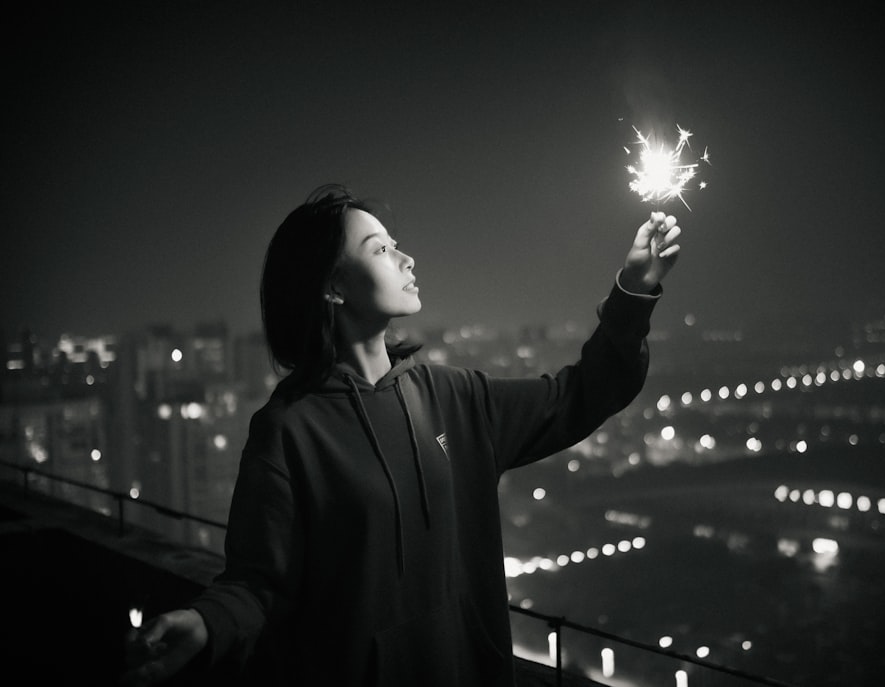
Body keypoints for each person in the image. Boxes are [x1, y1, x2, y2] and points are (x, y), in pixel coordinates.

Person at [121, 184, 681, 687]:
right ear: (333, 287)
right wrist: (204, 622)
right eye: (382, 249)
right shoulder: (288, 430)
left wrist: (632, 293)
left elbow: (584, 394)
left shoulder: (455, 398)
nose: (407, 258)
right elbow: (258, 582)